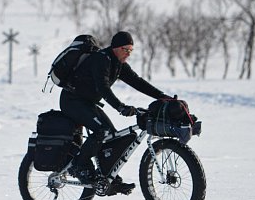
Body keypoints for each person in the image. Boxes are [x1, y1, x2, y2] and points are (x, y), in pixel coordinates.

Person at [60, 31, 171, 191]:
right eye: (126, 49)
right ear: (116, 47)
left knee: (112, 138)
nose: (128, 54)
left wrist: (162, 96)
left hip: (87, 104)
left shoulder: (118, 64)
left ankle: (108, 178)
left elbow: (138, 82)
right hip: (72, 101)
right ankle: (78, 165)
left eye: (131, 51)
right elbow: (103, 88)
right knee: (102, 131)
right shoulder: (101, 59)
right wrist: (120, 107)